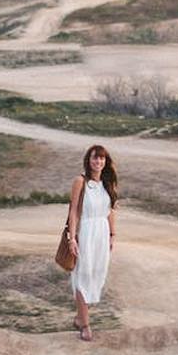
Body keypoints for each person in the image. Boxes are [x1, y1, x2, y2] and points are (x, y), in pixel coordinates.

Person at [66, 144, 117, 342]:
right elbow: (74, 212)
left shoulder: (108, 183)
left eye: (102, 158)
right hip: (86, 231)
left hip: (102, 233)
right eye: (95, 158)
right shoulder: (80, 181)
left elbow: (111, 210)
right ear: (88, 160)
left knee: (96, 274)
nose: (98, 161)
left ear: (106, 161)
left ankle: (80, 317)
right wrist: (72, 238)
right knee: (82, 275)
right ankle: (85, 326)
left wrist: (113, 234)